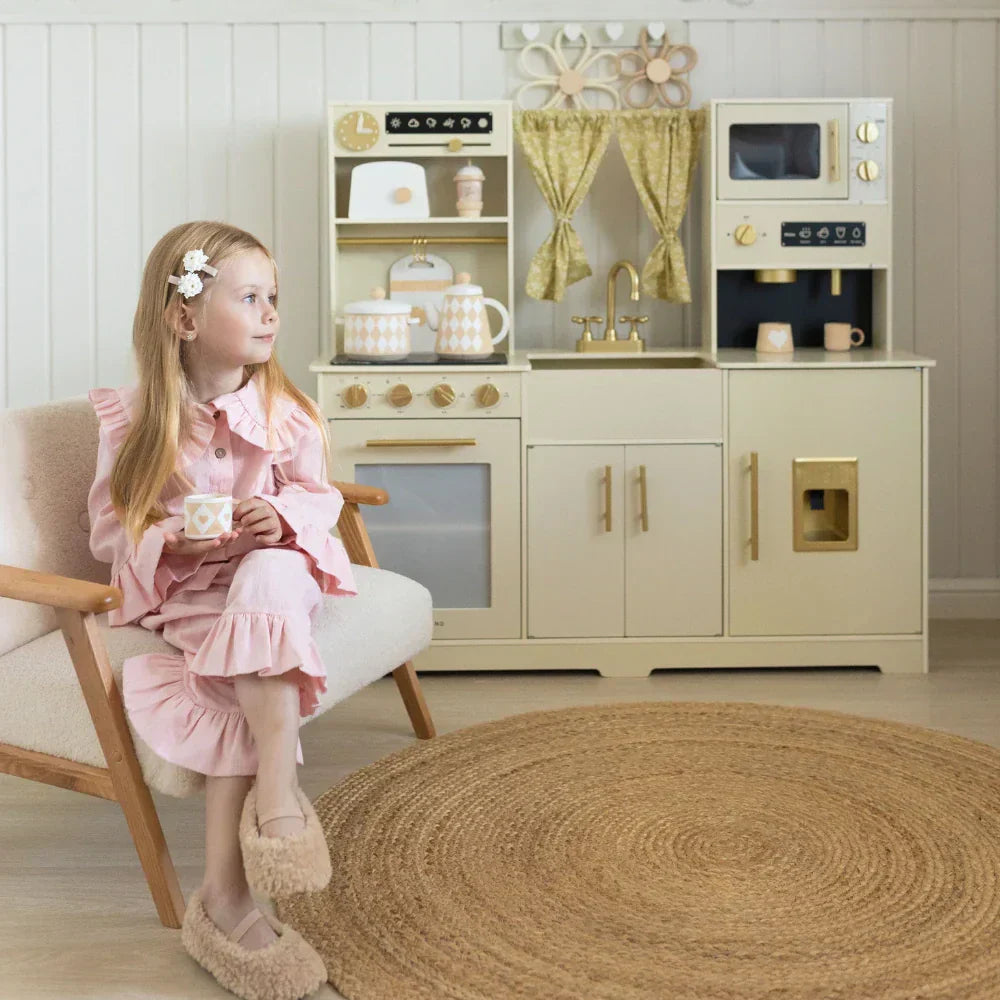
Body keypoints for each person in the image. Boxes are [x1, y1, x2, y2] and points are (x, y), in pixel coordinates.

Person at [87, 220, 358, 1000]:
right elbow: (109, 529)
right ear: (185, 318)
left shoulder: (286, 414)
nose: (271, 312)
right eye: (249, 297)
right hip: (197, 595)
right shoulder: (132, 421)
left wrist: (287, 518)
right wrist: (172, 541)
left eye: (274, 297)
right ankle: (225, 901)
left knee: (270, 572)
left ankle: (275, 792)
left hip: (276, 577)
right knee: (228, 675)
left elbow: (319, 496)